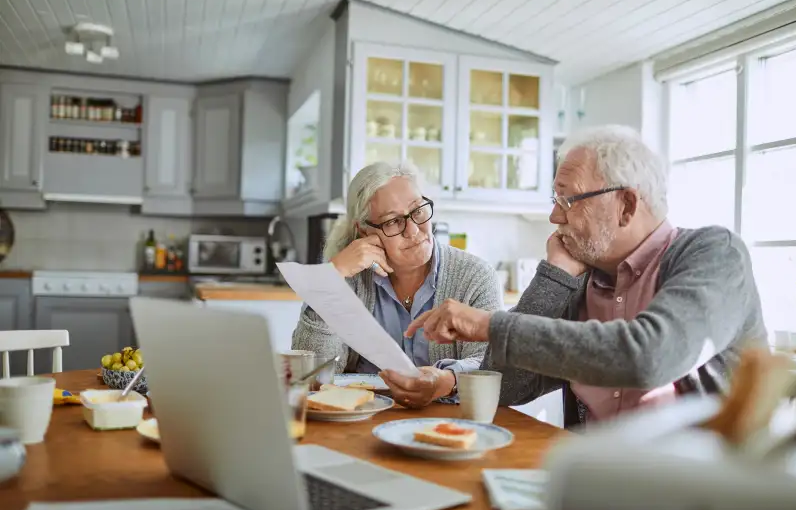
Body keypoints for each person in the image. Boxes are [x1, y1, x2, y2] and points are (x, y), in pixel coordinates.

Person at [403, 125, 768, 427]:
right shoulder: (578, 279)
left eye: (568, 201)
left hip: (705, 494)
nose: (554, 218)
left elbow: (650, 356)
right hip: (594, 482)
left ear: (625, 205)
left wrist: (490, 325)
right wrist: (554, 277)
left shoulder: (715, 253)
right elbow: (508, 386)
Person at [291, 161, 502, 408]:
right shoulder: (350, 277)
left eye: (418, 211)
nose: (413, 230)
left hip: (449, 422)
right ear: (363, 231)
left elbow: (489, 366)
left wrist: (446, 380)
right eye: (392, 221)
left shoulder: (475, 276)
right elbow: (313, 376)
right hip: (361, 421)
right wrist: (330, 278)